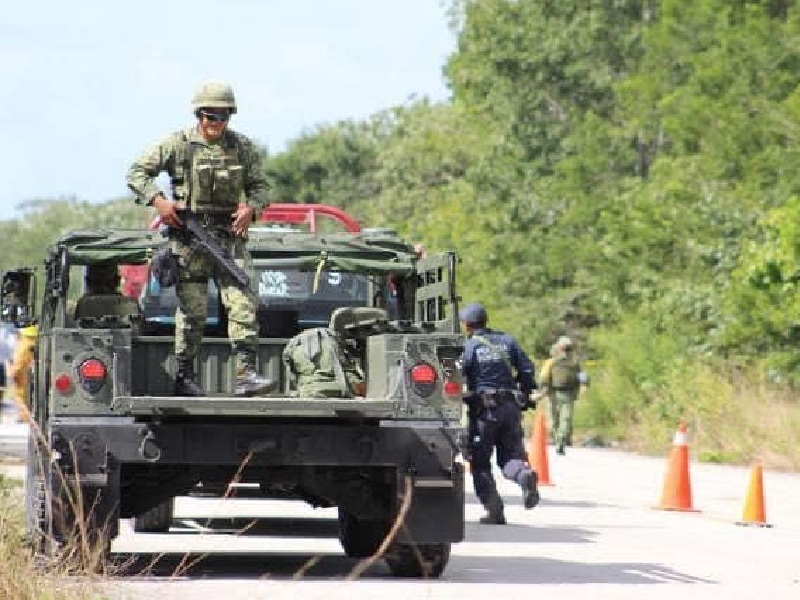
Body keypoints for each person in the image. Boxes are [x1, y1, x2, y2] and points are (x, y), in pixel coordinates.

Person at [126, 80, 274, 397]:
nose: (216, 124)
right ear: (199, 115)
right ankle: (183, 377)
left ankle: (246, 373)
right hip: (190, 239)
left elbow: (262, 187)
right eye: (210, 117)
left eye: (223, 117)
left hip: (228, 238)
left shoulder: (242, 147)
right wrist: (159, 201)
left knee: (244, 302)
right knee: (192, 314)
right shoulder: (177, 144)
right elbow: (137, 173)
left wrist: (252, 209)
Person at [459, 302, 540, 524]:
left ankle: (494, 511)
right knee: (511, 457)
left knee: (481, 462)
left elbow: (457, 376)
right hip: (511, 408)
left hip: (485, 413)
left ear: (466, 325)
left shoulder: (470, 347)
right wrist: (526, 390)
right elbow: (526, 369)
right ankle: (524, 476)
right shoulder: (508, 341)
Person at [538, 335, 588, 455]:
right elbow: (583, 377)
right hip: (560, 394)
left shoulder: (555, 362)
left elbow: (543, 377)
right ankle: (560, 440)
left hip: (560, 394)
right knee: (561, 420)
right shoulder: (569, 363)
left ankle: (560, 441)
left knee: (560, 419)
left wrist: (542, 389)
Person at [9, 324, 37, 423]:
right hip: (35, 377)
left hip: (23, 379)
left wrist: (12, 373)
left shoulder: (24, 344)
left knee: (21, 397)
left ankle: (27, 417)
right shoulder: (41, 342)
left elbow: (19, 362)